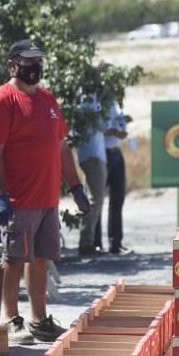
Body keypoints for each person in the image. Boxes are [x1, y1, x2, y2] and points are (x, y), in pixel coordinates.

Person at [0, 40, 91, 344]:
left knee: (41, 258)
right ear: (12, 64)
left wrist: (76, 186)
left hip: (47, 198)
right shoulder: (3, 100)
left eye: (38, 61)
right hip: (19, 198)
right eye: (28, 61)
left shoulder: (47, 99)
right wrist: (1, 195)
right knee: (14, 258)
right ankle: (10, 319)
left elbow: (61, 147)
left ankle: (40, 320)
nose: (34, 68)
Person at [75, 94, 107, 257]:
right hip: (93, 155)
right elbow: (103, 125)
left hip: (89, 155)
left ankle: (88, 241)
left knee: (92, 199)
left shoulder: (81, 103)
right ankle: (86, 242)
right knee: (96, 200)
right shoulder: (90, 102)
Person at [100, 99, 133, 254]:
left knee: (117, 199)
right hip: (101, 153)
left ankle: (115, 243)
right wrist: (113, 131)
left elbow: (119, 120)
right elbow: (94, 127)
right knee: (97, 200)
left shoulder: (113, 102)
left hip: (116, 152)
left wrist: (124, 122)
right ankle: (95, 243)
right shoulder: (96, 99)